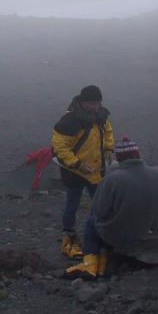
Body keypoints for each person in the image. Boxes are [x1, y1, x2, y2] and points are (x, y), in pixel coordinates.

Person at [65, 138, 158, 279]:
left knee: (91, 222)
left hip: (121, 237)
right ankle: (103, 259)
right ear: (138, 155)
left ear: (119, 159)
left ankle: (91, 264)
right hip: (150, 229)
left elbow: (100, 211)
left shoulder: (112, 180)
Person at [51, 85, 114, 259]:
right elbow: (59, 146)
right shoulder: (69, 120)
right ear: (83, 102)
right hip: (75, 172)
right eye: (92, 103)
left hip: (95, 170)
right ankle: (69, 235)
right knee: (72, 204)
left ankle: (99, 234)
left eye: (98, 103)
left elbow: (107, 131)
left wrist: (109, 148)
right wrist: (77, 164)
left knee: (100, 204)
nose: (95, 107)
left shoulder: (101, 116)